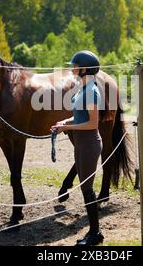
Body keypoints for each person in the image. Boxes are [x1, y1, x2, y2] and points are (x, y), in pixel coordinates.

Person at [50, 50, 104, 246]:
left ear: (84, 69)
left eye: (75, 66)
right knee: (85, 188)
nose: (72, 68)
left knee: (87, 189)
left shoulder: (92, 91)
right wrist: (65, 120)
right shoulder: (83, 88)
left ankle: (95, 233)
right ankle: (94, 231)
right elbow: (80, 116)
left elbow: (92, 124)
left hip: (89, 143)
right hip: (81, 143)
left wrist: (67, 127)